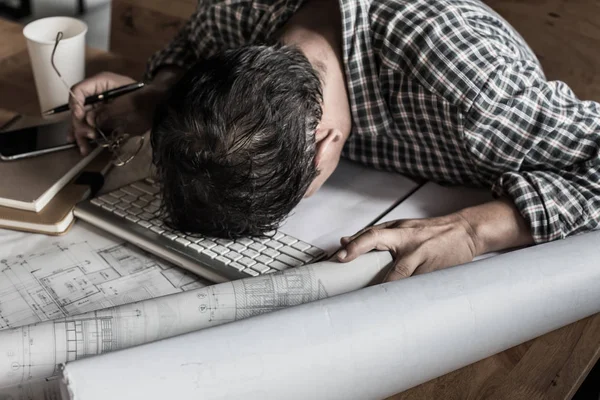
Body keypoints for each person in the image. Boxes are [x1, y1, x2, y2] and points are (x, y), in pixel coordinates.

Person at [69, 0, 600, 282]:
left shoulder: (473, 90)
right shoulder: (233, 15)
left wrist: (475, 230)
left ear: (324, 147)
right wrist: (158, 93)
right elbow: (188, 51)